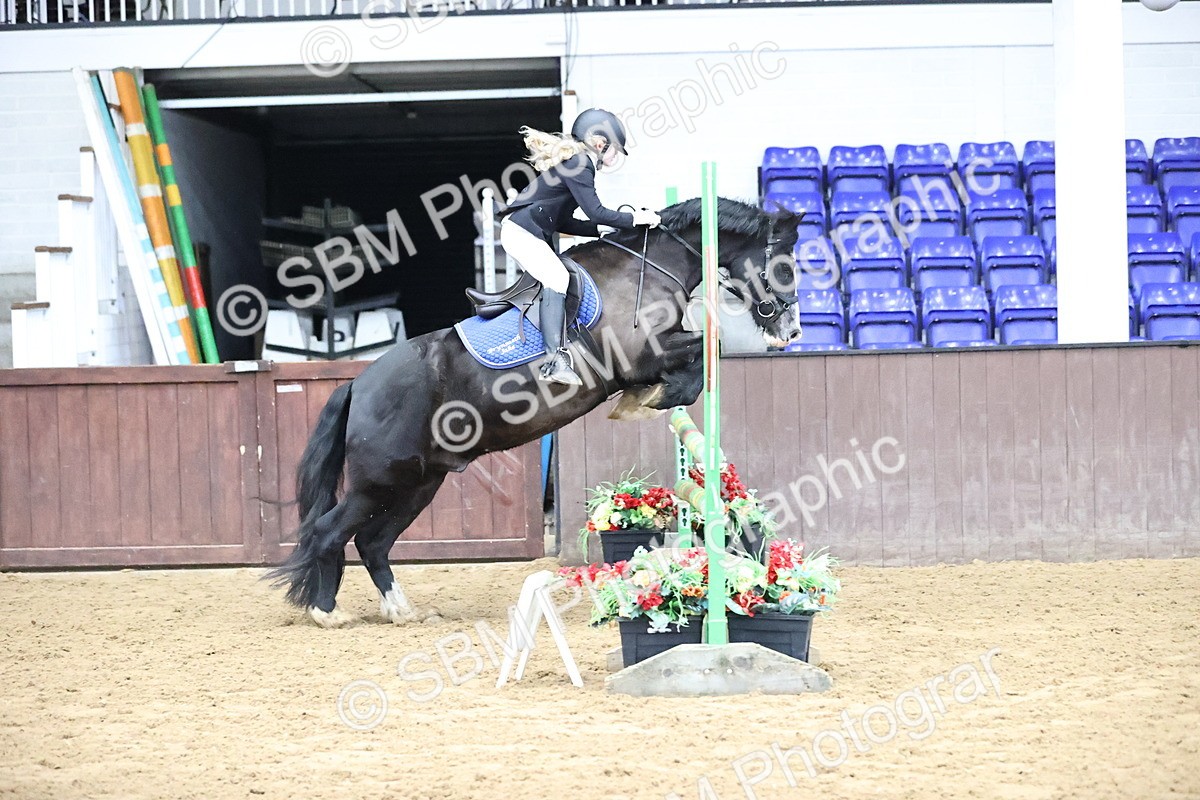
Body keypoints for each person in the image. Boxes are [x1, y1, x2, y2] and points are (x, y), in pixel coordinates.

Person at [500, 108, 661, 386]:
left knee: (559, 278)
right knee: (557, 278)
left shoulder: (575, 163)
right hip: (522, 232)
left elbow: (566, 220)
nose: (614, 158)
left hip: (525, 231)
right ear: (600, 142)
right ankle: (553, 362)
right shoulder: (581, 163)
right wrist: (636, 219)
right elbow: (596, 211)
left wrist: (600, 229)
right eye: (615, 150)